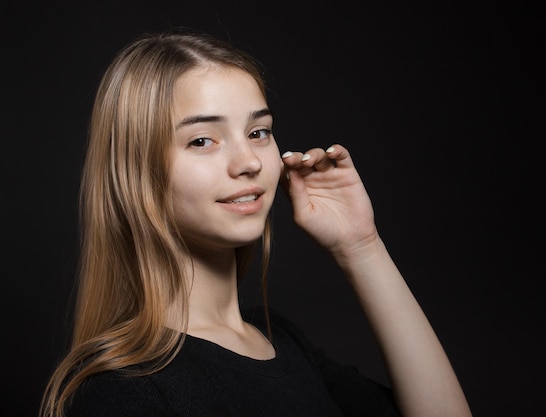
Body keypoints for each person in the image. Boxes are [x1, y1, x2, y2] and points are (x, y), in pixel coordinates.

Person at [39, 28, 472, 417]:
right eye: (202, 140)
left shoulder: (280, 341)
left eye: (258, 132)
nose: (248, 162)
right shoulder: (122, 391)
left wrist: (361, 246)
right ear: (136, 172)